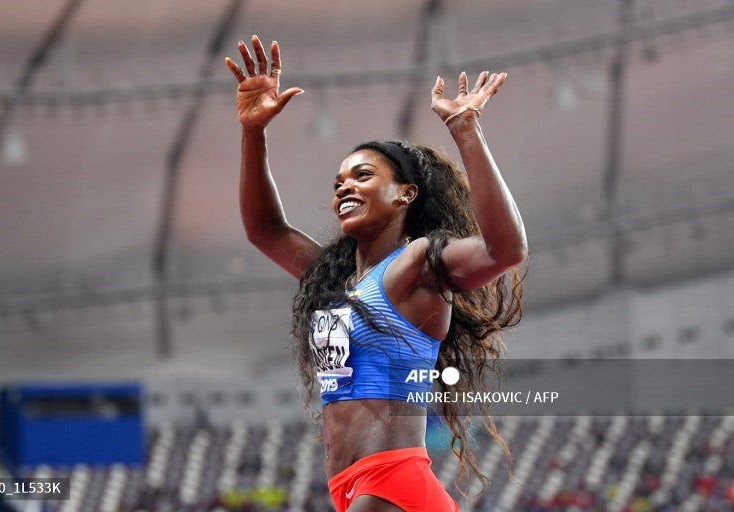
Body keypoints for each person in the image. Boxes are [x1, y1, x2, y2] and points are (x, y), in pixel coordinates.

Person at [225, 35, 526, 512]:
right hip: (352, 489)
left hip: (392, 487)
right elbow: (263, 229)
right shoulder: (335, 277)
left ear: (406, 194)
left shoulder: (415, 265)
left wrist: (466, 130)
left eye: (363, 176)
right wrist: (252, 132)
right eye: (339, 182)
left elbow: (504, 250)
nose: (345, 186)